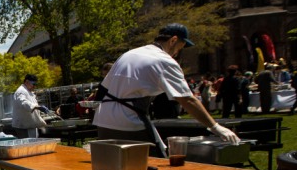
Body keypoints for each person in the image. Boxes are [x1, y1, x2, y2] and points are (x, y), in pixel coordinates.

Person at [93, 23, 240, 158]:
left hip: (103, 118)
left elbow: (104, 88)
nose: (176, 53)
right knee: (155, 165)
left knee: (112, 166)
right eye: (179, 48)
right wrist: (215, 127)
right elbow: (187, 99)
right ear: (173, 40)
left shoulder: (129, 54)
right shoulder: (164, 61)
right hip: (128, 121)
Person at [11, 74, 49, 138]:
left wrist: (38, 107)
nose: (34, 86)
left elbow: (32, 103)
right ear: (27, 82)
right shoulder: (21, 91)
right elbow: (23, 103)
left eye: (35, 84)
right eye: (33, 84)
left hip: (29, 125)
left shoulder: (28, 91)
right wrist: (37, 107)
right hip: (23, 126)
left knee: (33, 145)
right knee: (27, 146)